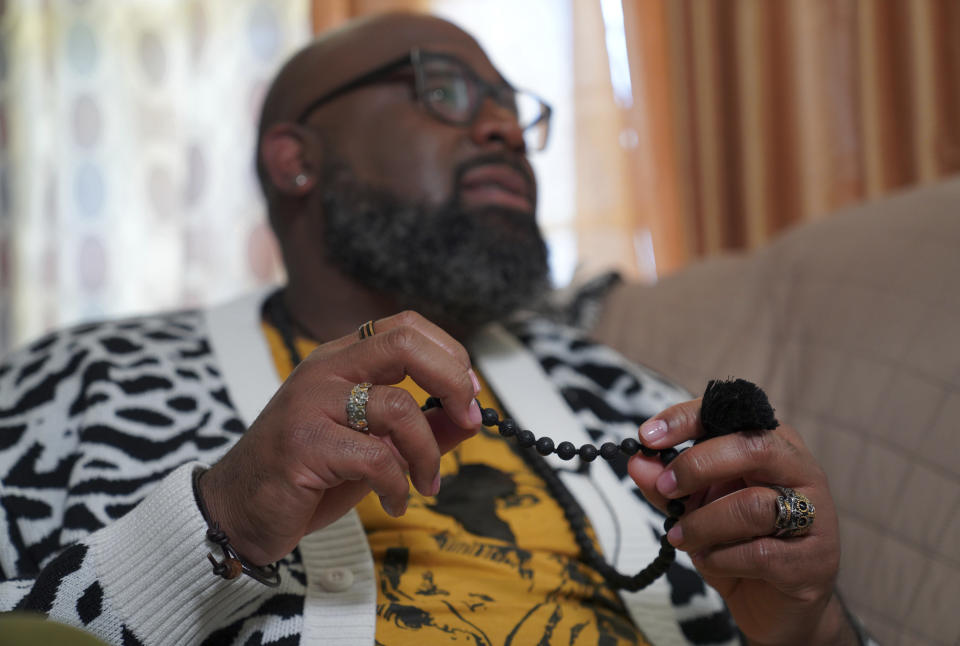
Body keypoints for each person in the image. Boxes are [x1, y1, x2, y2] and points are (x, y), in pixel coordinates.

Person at [0, 12, 867, 646]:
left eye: (513, 109)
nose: (502, 130)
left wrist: (806, 625)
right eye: (443, 90)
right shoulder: (80, 382)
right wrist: (220, 518)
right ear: (295, 159)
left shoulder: (617, 393)